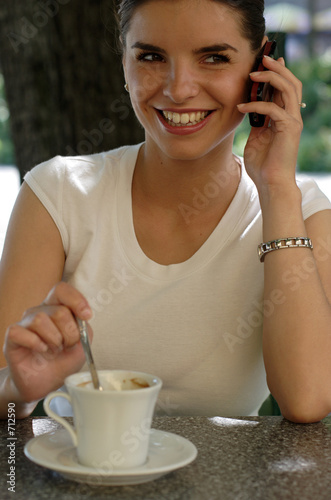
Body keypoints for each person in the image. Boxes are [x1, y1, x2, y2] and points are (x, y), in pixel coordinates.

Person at [0, 0, 331, 422]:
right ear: (125, 63)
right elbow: (6, 401)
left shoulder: (300, 211)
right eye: (151, 57)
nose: (179, 88)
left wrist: (277, 188)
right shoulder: (56, 194)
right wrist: (17, 389)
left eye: (214, 58)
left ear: (262, 67)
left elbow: (308, 401)